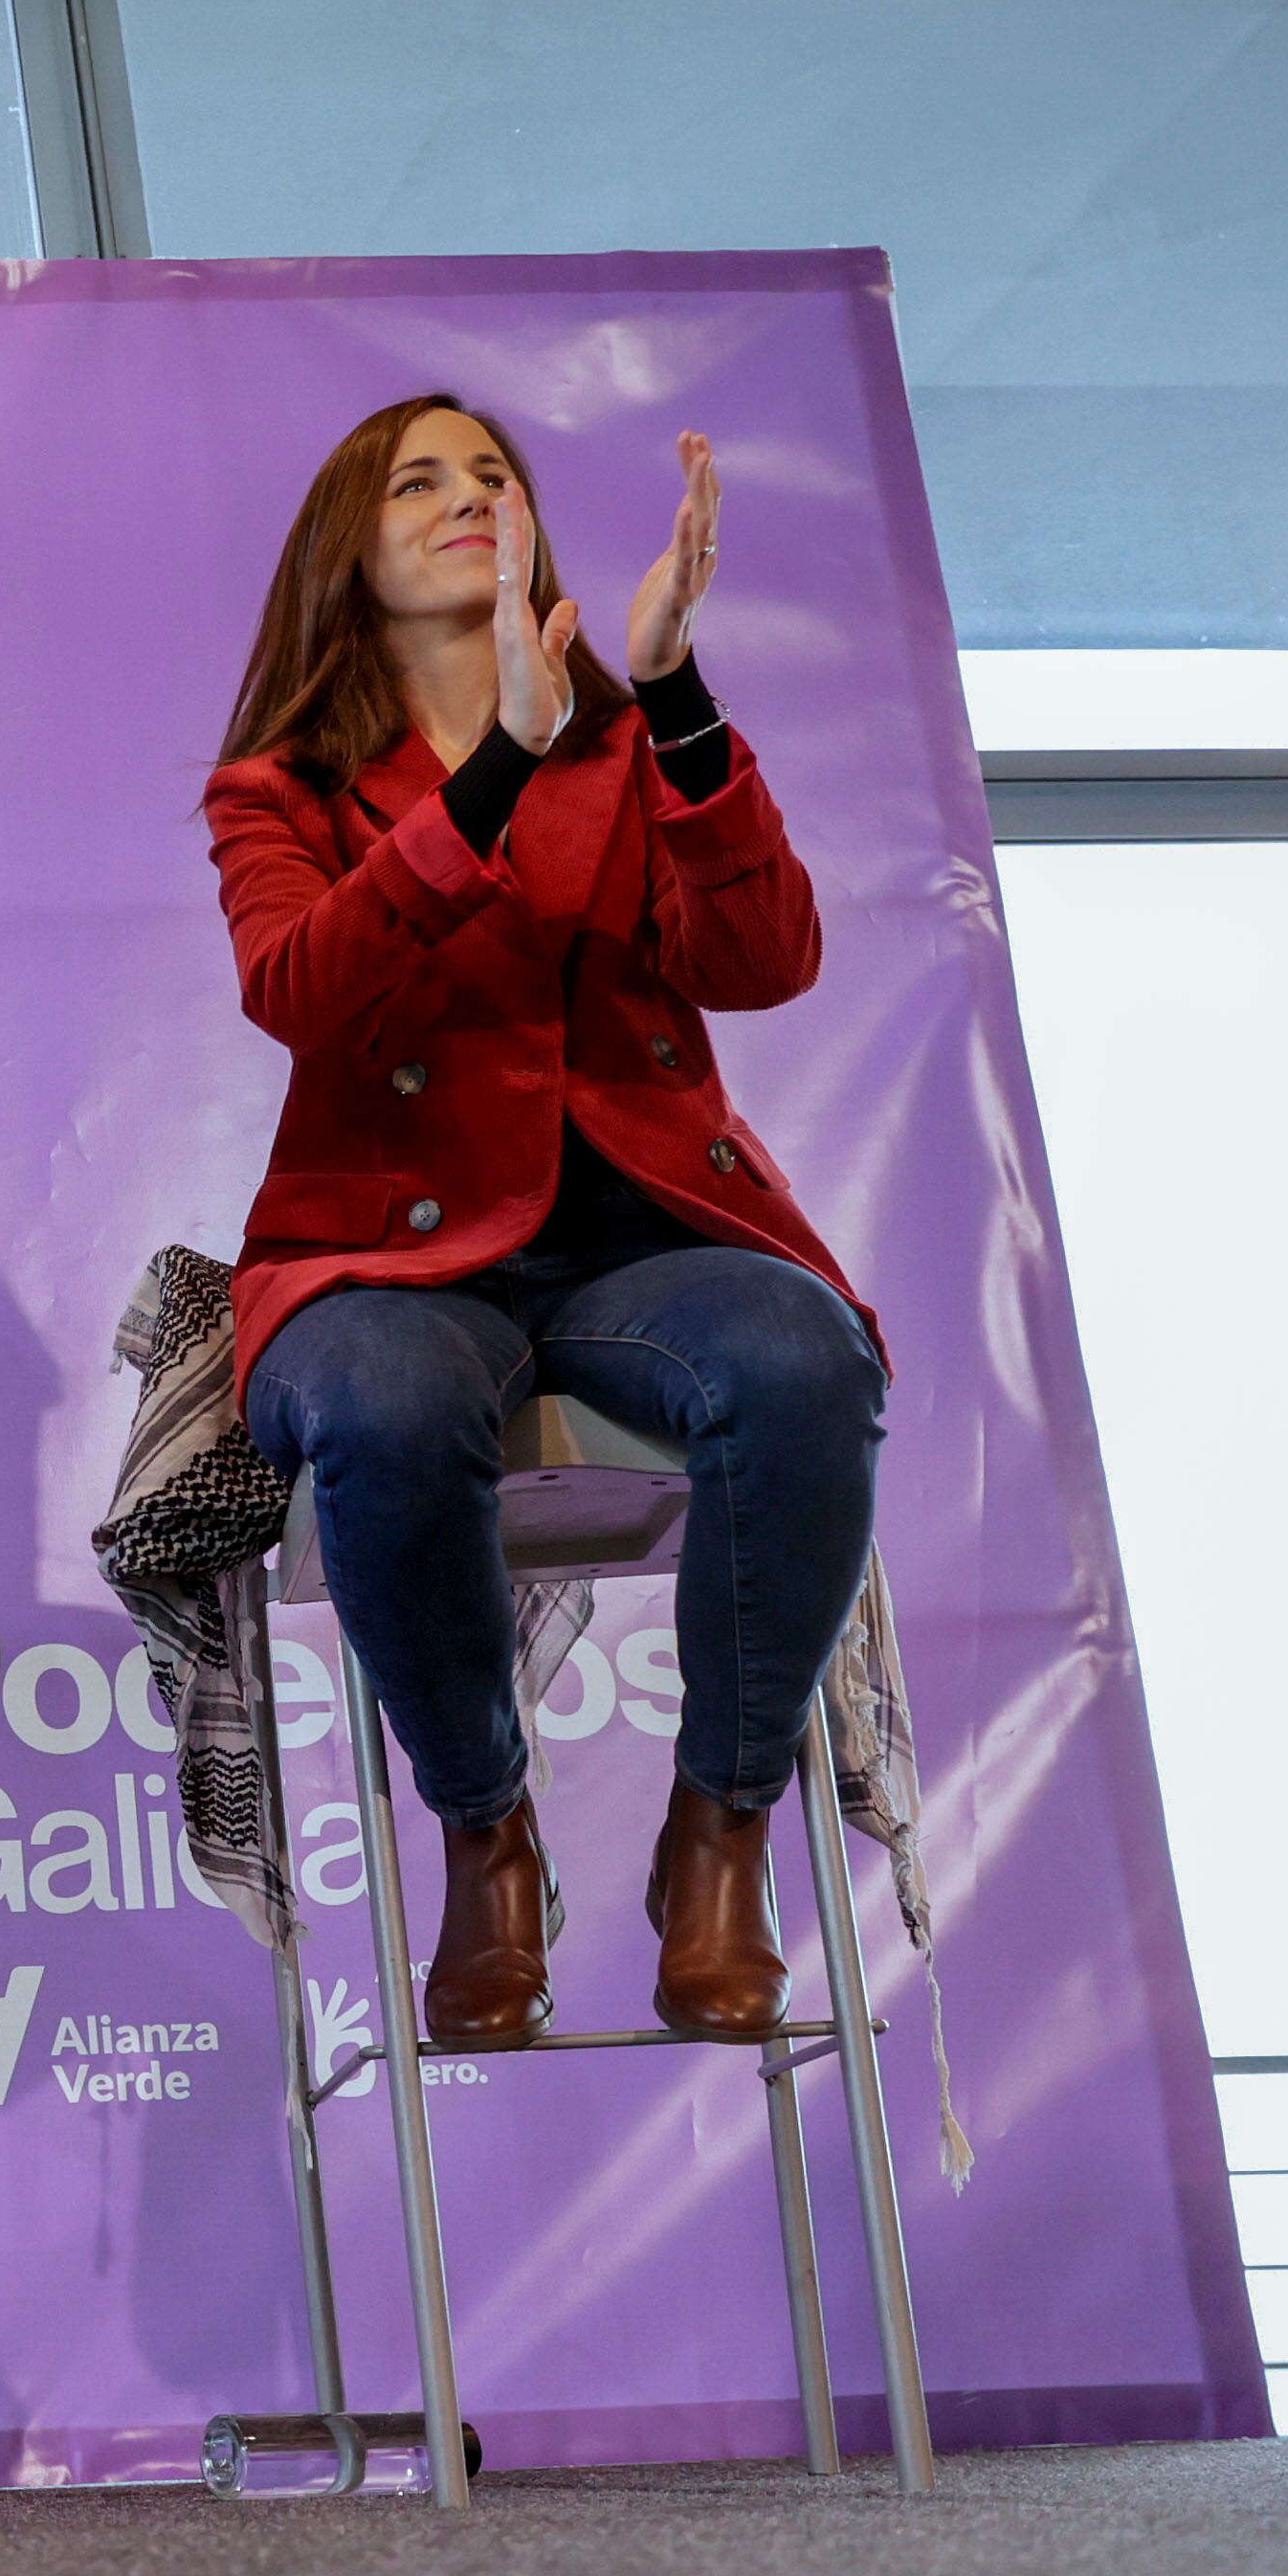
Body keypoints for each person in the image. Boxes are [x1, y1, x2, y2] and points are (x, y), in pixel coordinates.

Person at [205, 395, 887, 2060]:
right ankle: (485, 1837)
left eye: (489, 475)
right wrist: (494, 763)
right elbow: (296, 988)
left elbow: (767, 959)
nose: (463, 497)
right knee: (375, 1399)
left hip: (636, 1248)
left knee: (801, 1357)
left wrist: (667, 696)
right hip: (393, 1256)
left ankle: (717, 1840)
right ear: (344, 555)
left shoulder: (629, 753)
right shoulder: (275, 786)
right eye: (415, 481)